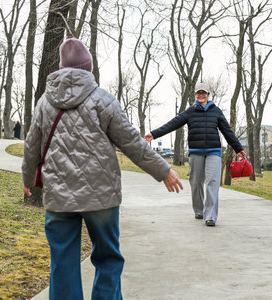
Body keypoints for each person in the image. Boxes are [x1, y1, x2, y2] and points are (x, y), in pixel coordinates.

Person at [22, 38, 183, 300]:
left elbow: (32, 146)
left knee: (62, 262)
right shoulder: (103, 100)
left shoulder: (44, 102)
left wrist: (28, 179)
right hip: (101, 196)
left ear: (62, 68)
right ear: (89, 68)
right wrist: (163, 170)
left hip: (59, 197)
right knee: (107, 257)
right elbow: (131, 141)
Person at [144, 82, 245, 227]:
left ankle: (210, 216)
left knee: (212, 182)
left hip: (214, 152)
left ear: (208, 95)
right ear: (195, 95)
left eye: (204, 93)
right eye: (198, 93)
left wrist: (238, 148)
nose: (201, 95)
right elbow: (173, 123)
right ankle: (199, 210)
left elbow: (227, 131)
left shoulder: (216, 111)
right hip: (196, 152)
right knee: (196, 182)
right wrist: (153, 134)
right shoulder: (190, 111)